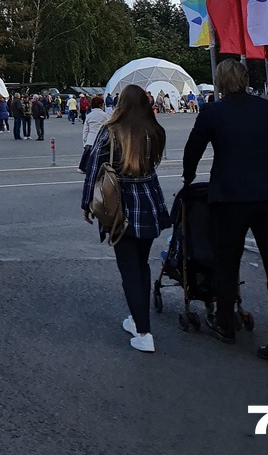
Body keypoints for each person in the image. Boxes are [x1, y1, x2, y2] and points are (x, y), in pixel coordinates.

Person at [183, 59, 268, 368]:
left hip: (232, 195)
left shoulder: (213, 112)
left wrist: (188, 176)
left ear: (219, 83)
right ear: (246, 79)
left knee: (226, 260)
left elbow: (194, 148)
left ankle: (224, 322)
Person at [81, 84, 172, 354]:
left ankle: (144, 332)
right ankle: (137, 318)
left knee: (128, 268)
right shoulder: (154, 131)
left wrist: (86, 203)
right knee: (142, 265)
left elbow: (93, 168)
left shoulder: (110, 131)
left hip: (120, 202)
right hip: (149, 200)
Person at [78, 94, 109, 173]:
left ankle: (83, 168)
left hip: (90, 139)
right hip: (101, 139)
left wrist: (84, 141)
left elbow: (85, 130)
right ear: (101, 105)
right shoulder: (106, 116)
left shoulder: (89, 116)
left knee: (87, 156)